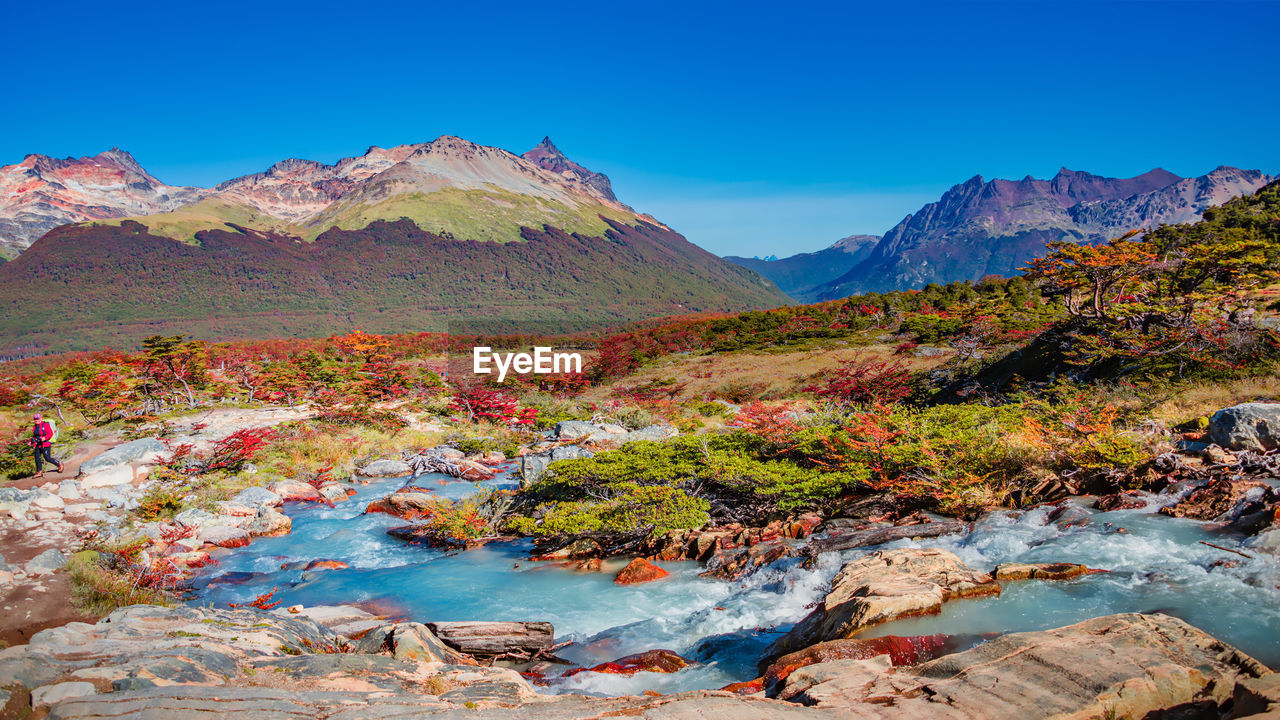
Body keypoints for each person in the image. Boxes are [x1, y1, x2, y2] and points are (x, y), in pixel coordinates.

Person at [30, 412, 63, 477]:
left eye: (38, 419)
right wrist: (31, 442)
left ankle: (59, 464)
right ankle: (39, 472)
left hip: (45, 444)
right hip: (38, 444)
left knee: (47, 458)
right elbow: (35, 436)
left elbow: (50, 433)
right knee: (37, 459)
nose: (36, 420)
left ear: (41, 418)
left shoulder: (45, 425)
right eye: (35, 419)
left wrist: (45, 438)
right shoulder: (34, 426)